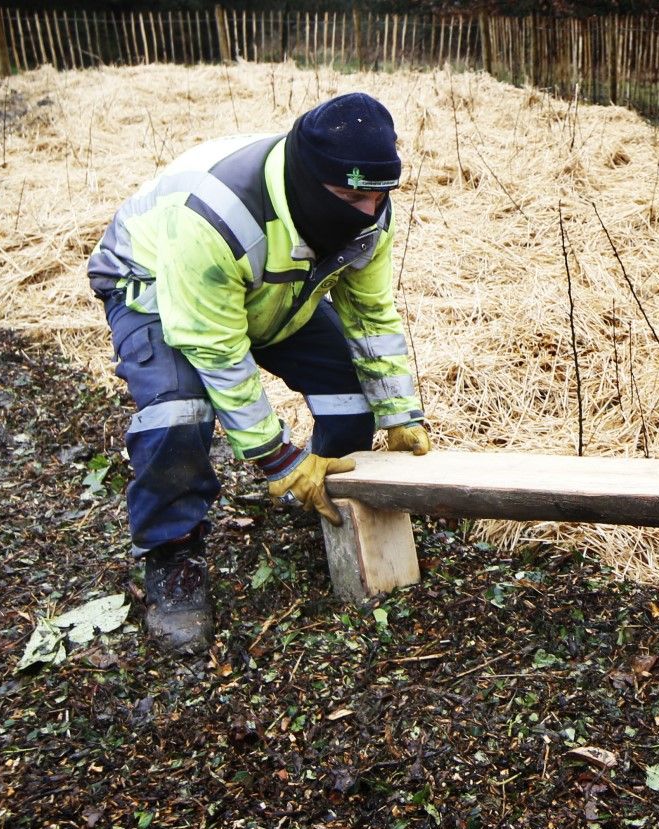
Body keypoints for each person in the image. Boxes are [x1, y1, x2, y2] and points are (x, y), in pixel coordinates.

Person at [88, 92, 432, 655]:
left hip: (270, 290)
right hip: (156, 287)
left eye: (378, 197)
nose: (367, 213)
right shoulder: (216, 215)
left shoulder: (369, 211)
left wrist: (400, 413)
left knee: (353, 399)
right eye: (351, 197)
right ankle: (172, 554)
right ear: (309, 182)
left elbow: (371, 315)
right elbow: (218, 351)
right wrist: (276, 459)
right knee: (179, 410)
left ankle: (325, 495)